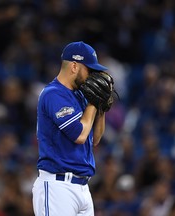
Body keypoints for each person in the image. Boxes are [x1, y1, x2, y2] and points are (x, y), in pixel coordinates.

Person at [32, 41, 111, 216]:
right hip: (57, 187)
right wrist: (93, 102)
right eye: (89, 69)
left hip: (82, 188)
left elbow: (95, 138)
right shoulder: (53, 94)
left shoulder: (80, 95)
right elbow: (80, 135)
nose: (93, 75)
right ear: (74, 66)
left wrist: (101, 107)